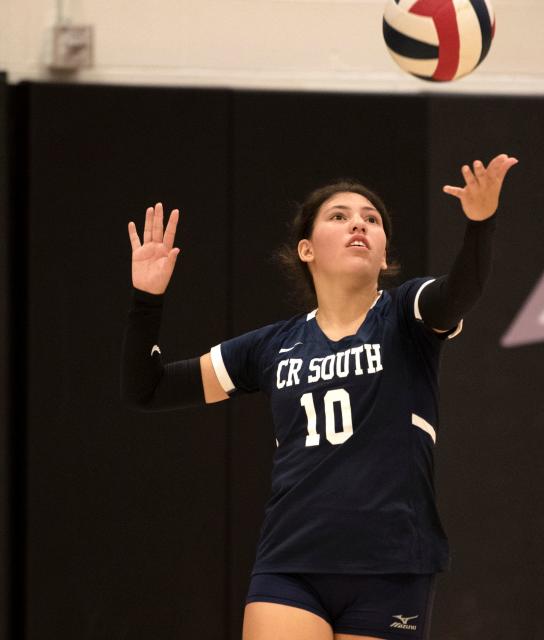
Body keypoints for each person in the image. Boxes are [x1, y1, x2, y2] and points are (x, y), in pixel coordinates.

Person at [122, 154, 518, 640]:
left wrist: (481, 224)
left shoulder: (405, 316)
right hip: (291, 564)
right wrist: (147, 298)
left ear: (385, 254)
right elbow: (149, 387)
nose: (359, 224)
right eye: (340, 216)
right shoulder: (273, 345)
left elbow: (459, 293)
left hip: (390, 565)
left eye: (372, 220)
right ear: (306, 249)